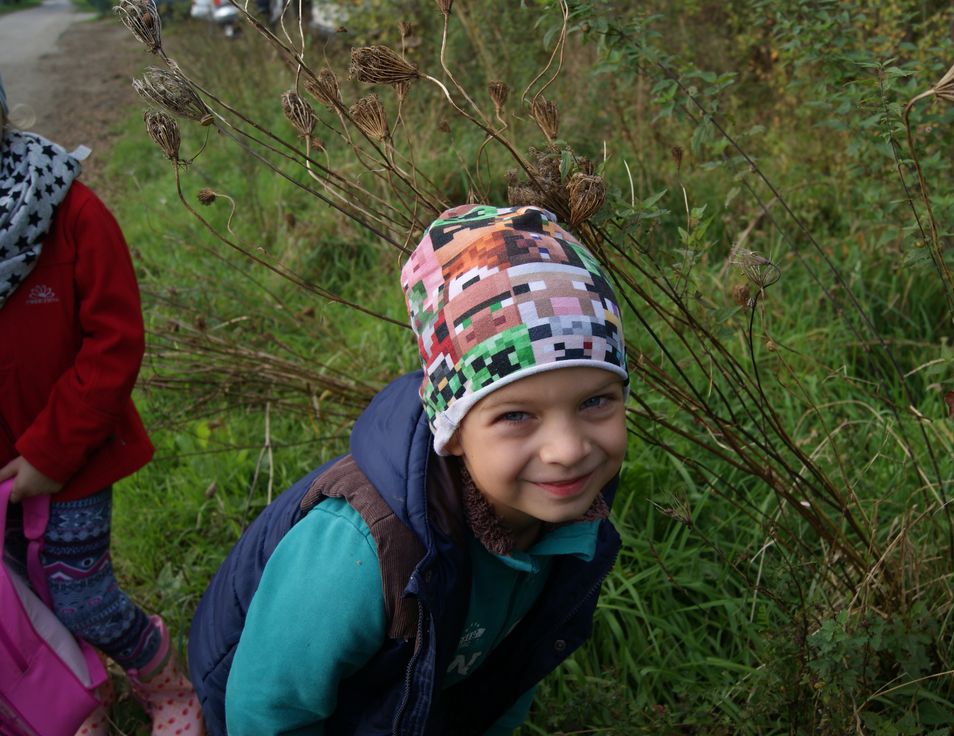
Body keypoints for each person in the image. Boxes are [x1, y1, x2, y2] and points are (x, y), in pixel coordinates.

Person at [189, 203, 630, 734]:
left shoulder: (570, 511)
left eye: (595, 402)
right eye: (516, 415)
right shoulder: (365, 551)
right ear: (454, 431)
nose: (568, 449)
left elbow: (513, 669)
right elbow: (268, 708)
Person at [0, 74, 204, 735]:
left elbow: (114, 343)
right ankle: (75, 694)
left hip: (73, 453)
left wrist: (51, 453)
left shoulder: (67, 212)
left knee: (79, 595)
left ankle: (162, 676)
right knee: (19, 600)